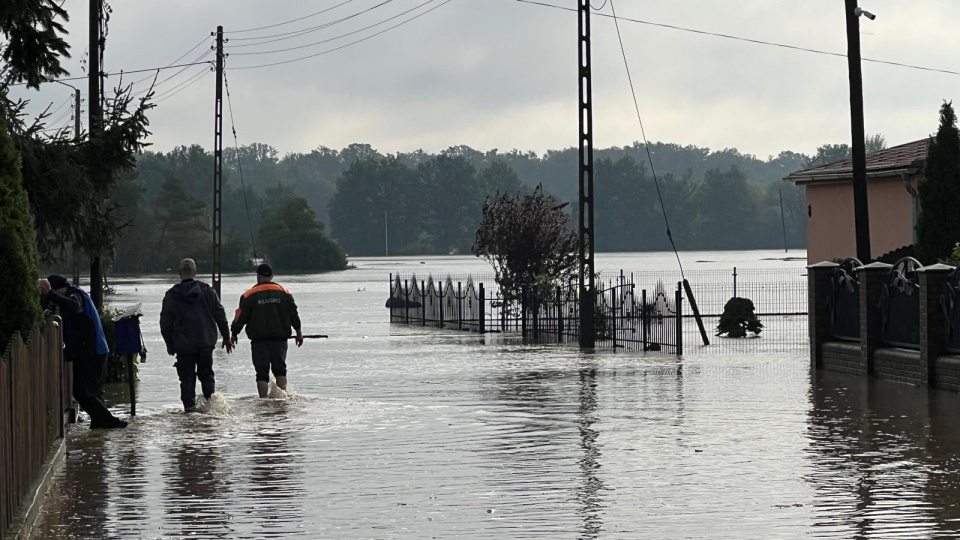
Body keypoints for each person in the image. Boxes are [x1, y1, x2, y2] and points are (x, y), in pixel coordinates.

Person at [40, 275, 127, 429]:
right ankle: (99, 425)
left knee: (82, 392)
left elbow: (74, 306)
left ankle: (110, 422)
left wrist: (51, 294)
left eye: (54, 293)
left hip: (94, 351)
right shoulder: (71, 294)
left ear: (59, 289)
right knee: (92, 392)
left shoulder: (76, 295)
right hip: (89, 351)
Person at [160, 258, 234, 412]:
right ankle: (210, 410)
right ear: (195, 272)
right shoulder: (208, 291)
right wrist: (227, 337)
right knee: (207, 377)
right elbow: (220, 315)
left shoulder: (171, 295)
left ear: (180, 273)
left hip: (183, 346)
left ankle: (189, 412)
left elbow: (165, 323)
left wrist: (169, 344)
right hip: (205, 343)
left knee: (186, 380)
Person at [231, 263, 303, 397]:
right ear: (271, 276)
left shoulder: (249, 295)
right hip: (280, 339)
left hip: (259, 340)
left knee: (261, 373)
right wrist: (299, 332)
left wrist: (234, 333)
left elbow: (240, 317)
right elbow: (294, 314)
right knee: (280, 370)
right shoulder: (284, 292)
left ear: (258, 276)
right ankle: (282, 399)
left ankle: (263, 401)